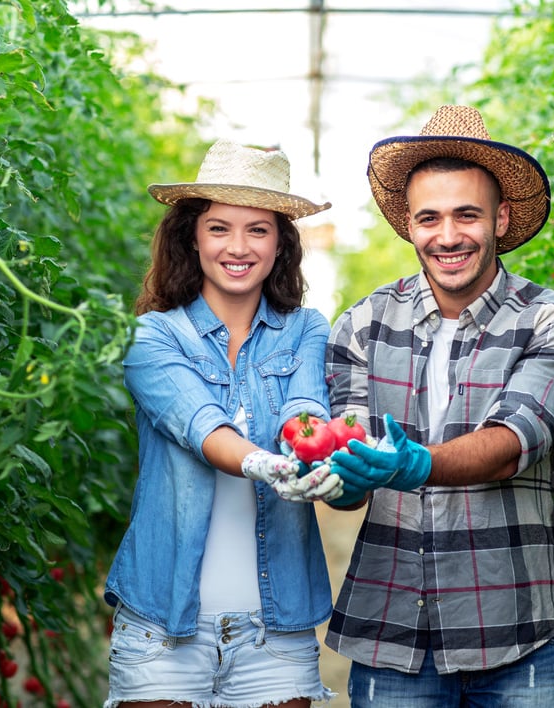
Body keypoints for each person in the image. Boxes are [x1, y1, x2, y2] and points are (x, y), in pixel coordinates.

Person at [324, 105, 554, 707]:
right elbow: (352, 474)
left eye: (466, 215)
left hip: (515, 632)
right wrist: (333, 475)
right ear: (410, 226)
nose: (447, 236)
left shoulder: (553, 323)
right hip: (391, 629)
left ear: (500, 218)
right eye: (429, 218)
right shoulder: (362, 326)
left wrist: (414, 464)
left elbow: (512, 443)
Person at [103, 139, 344, 708]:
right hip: (160, 628)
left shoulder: (306, 327)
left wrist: (316, 455)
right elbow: (200, 425)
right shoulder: (151, 337)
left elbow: (304, 408)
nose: (238, 247)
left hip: (277, 635)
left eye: (258, 230)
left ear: (281, 243)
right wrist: (267, 464)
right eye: (219, 228)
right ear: (191, 236)